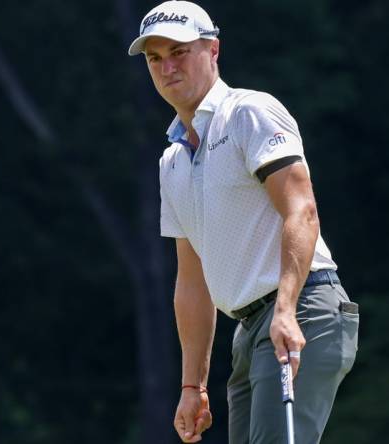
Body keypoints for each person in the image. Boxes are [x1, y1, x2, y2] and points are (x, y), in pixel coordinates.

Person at [126, 1, 360, 443]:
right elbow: (192, 280)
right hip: (249, 330)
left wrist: (288, 311)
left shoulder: (249, 113)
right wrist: (192, 386)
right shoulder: (171, 162)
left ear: (213, 50)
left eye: (179, 51)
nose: (167, 67)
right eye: (155, 58)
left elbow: (301, 211)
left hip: (303, 307)